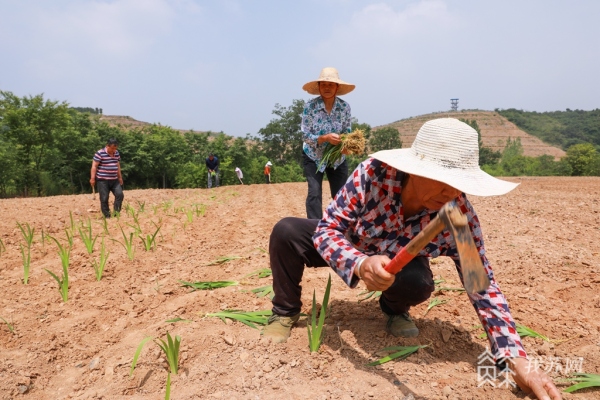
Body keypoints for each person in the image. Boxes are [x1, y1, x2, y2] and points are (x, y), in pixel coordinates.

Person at [263, 118, 561, 400]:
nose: (451, 192)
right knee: (286, 231)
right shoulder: (373, 174)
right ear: (416, 168)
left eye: (459, 183)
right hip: (351, 244)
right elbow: (328, 229)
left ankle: (395, 309)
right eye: (443, 180)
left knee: (418, 283)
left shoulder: (458, 217)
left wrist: (516, 359)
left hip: (399, 266)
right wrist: (360, 263)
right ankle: (285, 311)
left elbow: (481, 285)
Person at [301, 67, 354, 219]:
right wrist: (325, 138)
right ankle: (314, 229)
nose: (327, 88)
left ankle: (339, 227)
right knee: (314, 193)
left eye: (331, 84)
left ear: (337, 87)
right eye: (323, 84)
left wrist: (346, 147)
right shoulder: (310, 107)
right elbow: (305, 135)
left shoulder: (344, 107)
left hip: (336, 158)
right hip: (313, 156)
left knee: (341, 195)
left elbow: (347, 132)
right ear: (318, 87)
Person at [90, 138, 124, 218]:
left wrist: (120, 177)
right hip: (102, 180)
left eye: (115, 148)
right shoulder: (100, 153)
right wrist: (92, 178)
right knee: (104, 198)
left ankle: (116, 214)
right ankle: (107, 216)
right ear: (107, 146)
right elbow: (94, 166)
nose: (113, 150)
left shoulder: (116, 153)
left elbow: (117, 165)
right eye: (112, 148)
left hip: (114, 179)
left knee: (120, 195)